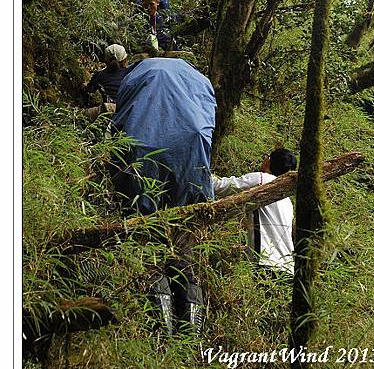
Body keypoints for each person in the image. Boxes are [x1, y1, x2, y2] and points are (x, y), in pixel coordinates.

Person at [110, 57, 217, 335]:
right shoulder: (197, 81)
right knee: (184, 249)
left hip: (142, 164)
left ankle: (162, 330)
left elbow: (121, 121)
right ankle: (190, 333)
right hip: (189, 169)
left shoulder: (137, 76)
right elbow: (206, 123)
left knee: (150, 247)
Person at [212, 148, 297, 278]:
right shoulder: (287, 200)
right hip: (288, 268)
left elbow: (222, 187)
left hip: (265, 264)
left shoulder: (261, 179)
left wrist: (199, 171)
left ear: (268, 161)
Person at [82, 44, 129, 121]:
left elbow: (89, 90)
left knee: (79, 115)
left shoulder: (100, 75)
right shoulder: (131, 74)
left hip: (107, 110)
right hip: (126, 109)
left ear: (106, 60)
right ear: (125, 60)